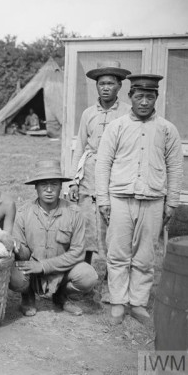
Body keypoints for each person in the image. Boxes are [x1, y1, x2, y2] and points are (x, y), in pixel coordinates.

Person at [96, 74, 183, 326]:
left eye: (149, 96)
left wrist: (172, 202)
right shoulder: (117, 126)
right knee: (118, 254)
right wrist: (103, 199)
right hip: (120, 199)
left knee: (145, 256)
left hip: (154, 200)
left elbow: (175, 168)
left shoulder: (168, 129)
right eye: (139, 96)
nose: (144, 102)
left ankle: (138, 303)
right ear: (130, 97)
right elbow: (103, 164)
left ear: (156, 97)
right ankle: (118, 302)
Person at [68, 61, 131, 301]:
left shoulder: (127, 111)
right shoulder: (88, 113)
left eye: (110, 84)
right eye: (101, 83)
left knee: (113, 230)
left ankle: (110, 284)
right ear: (97, 86)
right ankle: (83, 281)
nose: (106, 88)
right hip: (90, 175)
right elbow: (80, 147)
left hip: (116, 174)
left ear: (119, 86)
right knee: (85, 228)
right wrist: (74, 181)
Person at [10, 160, 98, 317]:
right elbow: (22, 255)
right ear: (35, 187)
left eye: (54, 184)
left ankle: (61, 296)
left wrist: (44, 265)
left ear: (61, 187)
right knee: (14, 277)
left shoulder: (74, 213)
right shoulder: (23, 213)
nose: (49, 190)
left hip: (61, 271)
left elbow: (77, 253)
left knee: (88, 276)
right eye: (44, 184)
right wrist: (17, 247)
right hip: (31, 271)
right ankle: (27, 297)